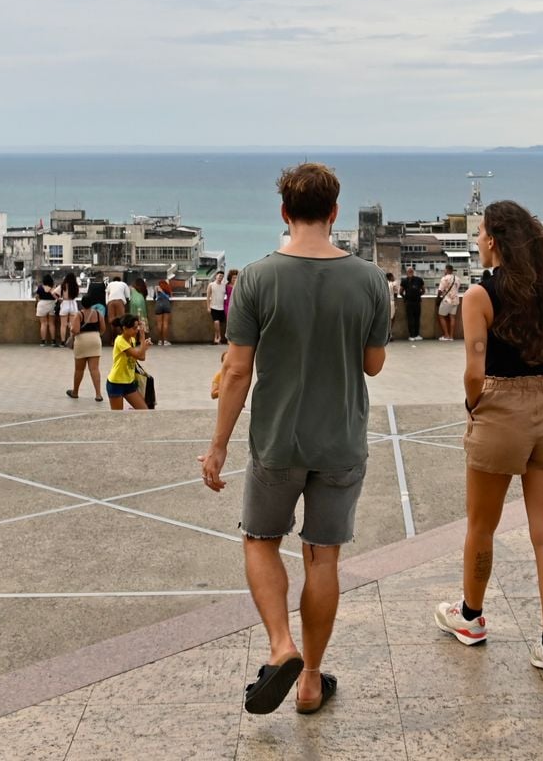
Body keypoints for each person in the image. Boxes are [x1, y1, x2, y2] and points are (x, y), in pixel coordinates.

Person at [199, 163, 388, 717]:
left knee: (260, 538)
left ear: (284, 213)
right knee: (322, 557)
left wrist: (217, 447)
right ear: (335, 212)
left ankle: (282, 646)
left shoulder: (255, 278)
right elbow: (373, 365)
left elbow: (236, 370)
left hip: (277, 439)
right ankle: (309, 681)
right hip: (342, 441)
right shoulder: (370, 280)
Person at [435, 200, 543, 680]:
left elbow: (475, 369)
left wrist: (475, 406)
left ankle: (471, 617)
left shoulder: (479, 295)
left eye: (479, 233)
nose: (477, 240)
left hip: (501, 411)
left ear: (493, 239)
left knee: (482, 525)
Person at [107, 314, 151, 410]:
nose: (137, 330)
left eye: (137, 328)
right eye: (134, 328)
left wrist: (143, 347)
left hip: (129, 382)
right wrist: (142, 338)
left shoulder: (132, 339)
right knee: (118, 417)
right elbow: (139, 355)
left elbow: (140, 356)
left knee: (144, 410)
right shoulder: (120, 341)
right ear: (124, 328)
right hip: (116, 383)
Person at [67, 294, 105, 401]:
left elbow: (76, 330)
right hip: (95, 339)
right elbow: (103, 328)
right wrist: (96, 335)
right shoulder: (98, 314)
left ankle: (75, 392)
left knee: (79, 369)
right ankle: (98, 394)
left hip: (82, 341)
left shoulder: (79, 314)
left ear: (82, 304)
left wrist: (71, 327)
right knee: (95, 369)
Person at [436, 267, 462, 342]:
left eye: (444, 269)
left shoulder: (444, 278)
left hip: (447, 300)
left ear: (447, 270)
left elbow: (440, 290)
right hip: (456, 300)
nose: (444, 271)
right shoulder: (457, 278)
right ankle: (451, 336)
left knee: (441, 316)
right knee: (452, 317)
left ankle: (446, 335)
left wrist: (438, 298)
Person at [400, 265, 425, 341]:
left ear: (413, 272)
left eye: (411, 271)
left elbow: (423, 290)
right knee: (410, 319)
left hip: (417, 302)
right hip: (409, 303)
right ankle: (411, 335)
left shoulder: (419, 280)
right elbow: (400, 291)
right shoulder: (404, 281)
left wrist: (418, 295)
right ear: (407, 272)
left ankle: (417, 335)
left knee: (417, 319)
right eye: (409, 271)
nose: (410, 272)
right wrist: (405, 298)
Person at [105, 273, 130, 344]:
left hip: (110, 302)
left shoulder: (109, 284)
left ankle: (112, 340)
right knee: (120, 321)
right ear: (120, 280)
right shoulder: (123, 284)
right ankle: (120, 341)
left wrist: (108, 303)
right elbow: (128, 296)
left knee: (112, 322)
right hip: (120, 301)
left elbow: (107, 294)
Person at [34, 275, 58, 346]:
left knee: (43, 324)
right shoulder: (53, 288)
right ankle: (53, 341)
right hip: (52, 305)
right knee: (51, 324)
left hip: (42, 305)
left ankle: (43, 342)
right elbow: (57, 296)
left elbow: (37, 297)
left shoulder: (40, 287)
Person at [58, 272, 80, 347]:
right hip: (73, 304)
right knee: (72, 325)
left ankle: (62, 342)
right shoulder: (75, 286)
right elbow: (77, 294)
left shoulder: (63, 285)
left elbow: (54, 292)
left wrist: (59, 299)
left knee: (63, 325)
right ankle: (72, 342)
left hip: (65, 303)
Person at [207, 270, 229, 344]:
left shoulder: (224, 285)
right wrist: (208, 307)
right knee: (216, 322)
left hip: (222, 307)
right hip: (213, 306)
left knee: (220, 323)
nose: (220, 277)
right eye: (219, 276)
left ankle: (215, 337)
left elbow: (228, 293)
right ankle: (219, 336)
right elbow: (208, 296)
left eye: (222, 276)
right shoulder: (211, 285)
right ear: (216, 276)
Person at [153, 280, 174, 345]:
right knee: (165, 323)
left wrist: (156, 291)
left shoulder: (157, 288)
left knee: (159, 324)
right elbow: (169, 297)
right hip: (166, 304)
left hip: (158, 305)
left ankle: (159, 341)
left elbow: (154, 298)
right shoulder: (167, 289)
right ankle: (165, 341)